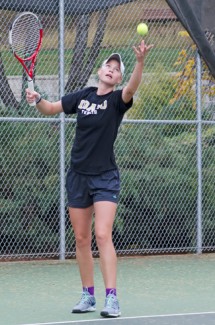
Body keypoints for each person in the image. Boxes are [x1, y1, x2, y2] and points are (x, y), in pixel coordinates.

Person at [26, 40, 153, 318]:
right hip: (78, 176)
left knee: (102, 234)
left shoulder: (118, 100)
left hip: (105, 177)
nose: (111, 70)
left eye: (116, 69)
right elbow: (50, 108)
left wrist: (140, 62)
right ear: (99, 71)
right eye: (108, 66)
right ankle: (88, 295)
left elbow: (133, 88)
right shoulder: (82, 97)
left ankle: (112, 299)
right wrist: (37, 100)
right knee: (82, 238)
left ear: (118, 78)